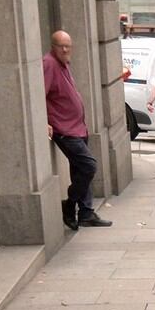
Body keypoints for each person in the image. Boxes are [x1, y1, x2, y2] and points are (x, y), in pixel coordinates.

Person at [43, 30, 112, 229]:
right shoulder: (48, 63)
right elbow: (40, 93)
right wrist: (45, 121)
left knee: (80, 170)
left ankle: (85, 212)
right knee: (89, 166)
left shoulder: (63, 63)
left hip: (77, 127)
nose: (65, 49)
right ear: (53, 46)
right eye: (60, 45)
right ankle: (70, 204)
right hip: (64, 128)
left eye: (68, 45)